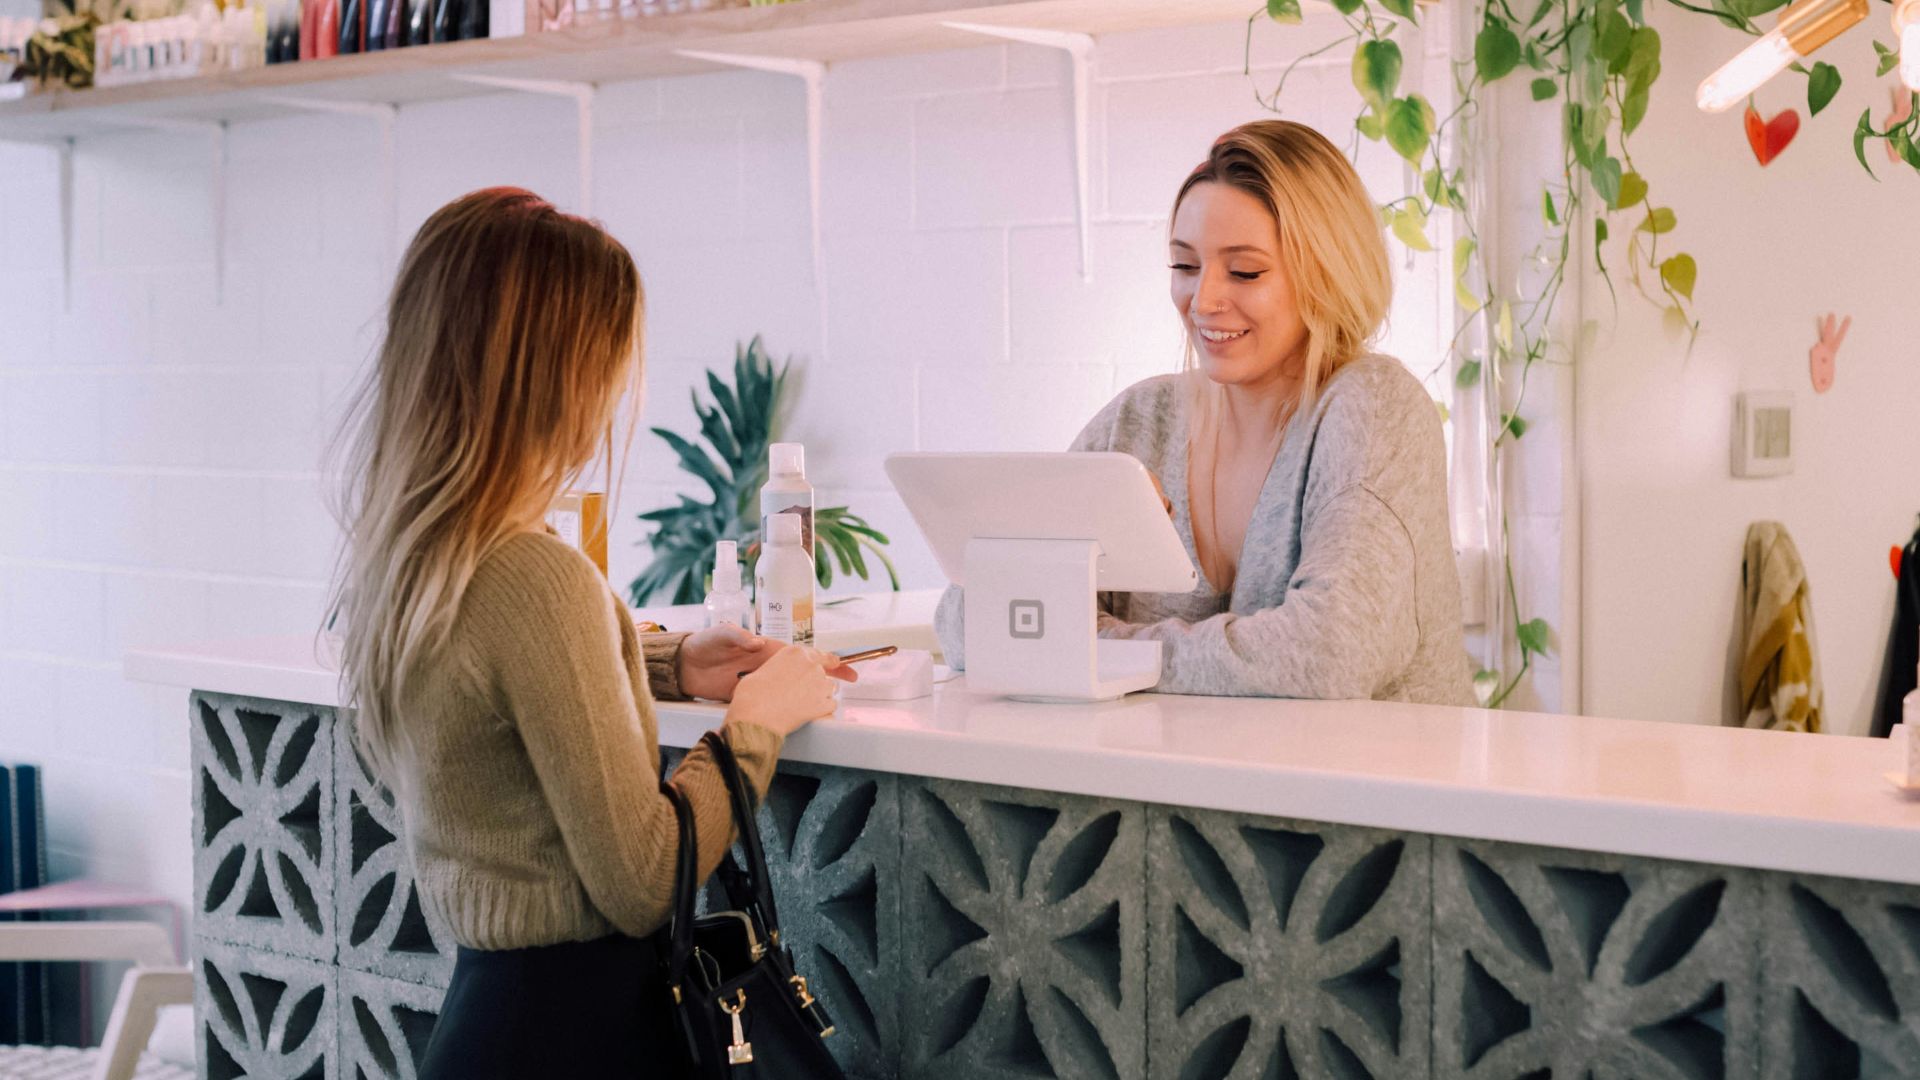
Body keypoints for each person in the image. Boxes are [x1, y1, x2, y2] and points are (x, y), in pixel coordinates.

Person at [326, 187, 853, 1078]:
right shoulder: (535, 575)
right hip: (583, 1034)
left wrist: (669, 662)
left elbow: (496, 676)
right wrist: (757, 722)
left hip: (485, 1024)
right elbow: (645, 877)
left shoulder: (413, 559)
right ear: (560, 373)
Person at [937, 121, 1475, 706]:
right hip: (1186, 790)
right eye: (1185, 266)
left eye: (1244, 271)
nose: (1203, 300)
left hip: (1369, 791)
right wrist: (1073, 543)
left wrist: (1104, 652)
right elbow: (967, 626)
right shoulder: (1142, 422)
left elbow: (1328, 654)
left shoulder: (1373, 408)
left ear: (1328, 272)